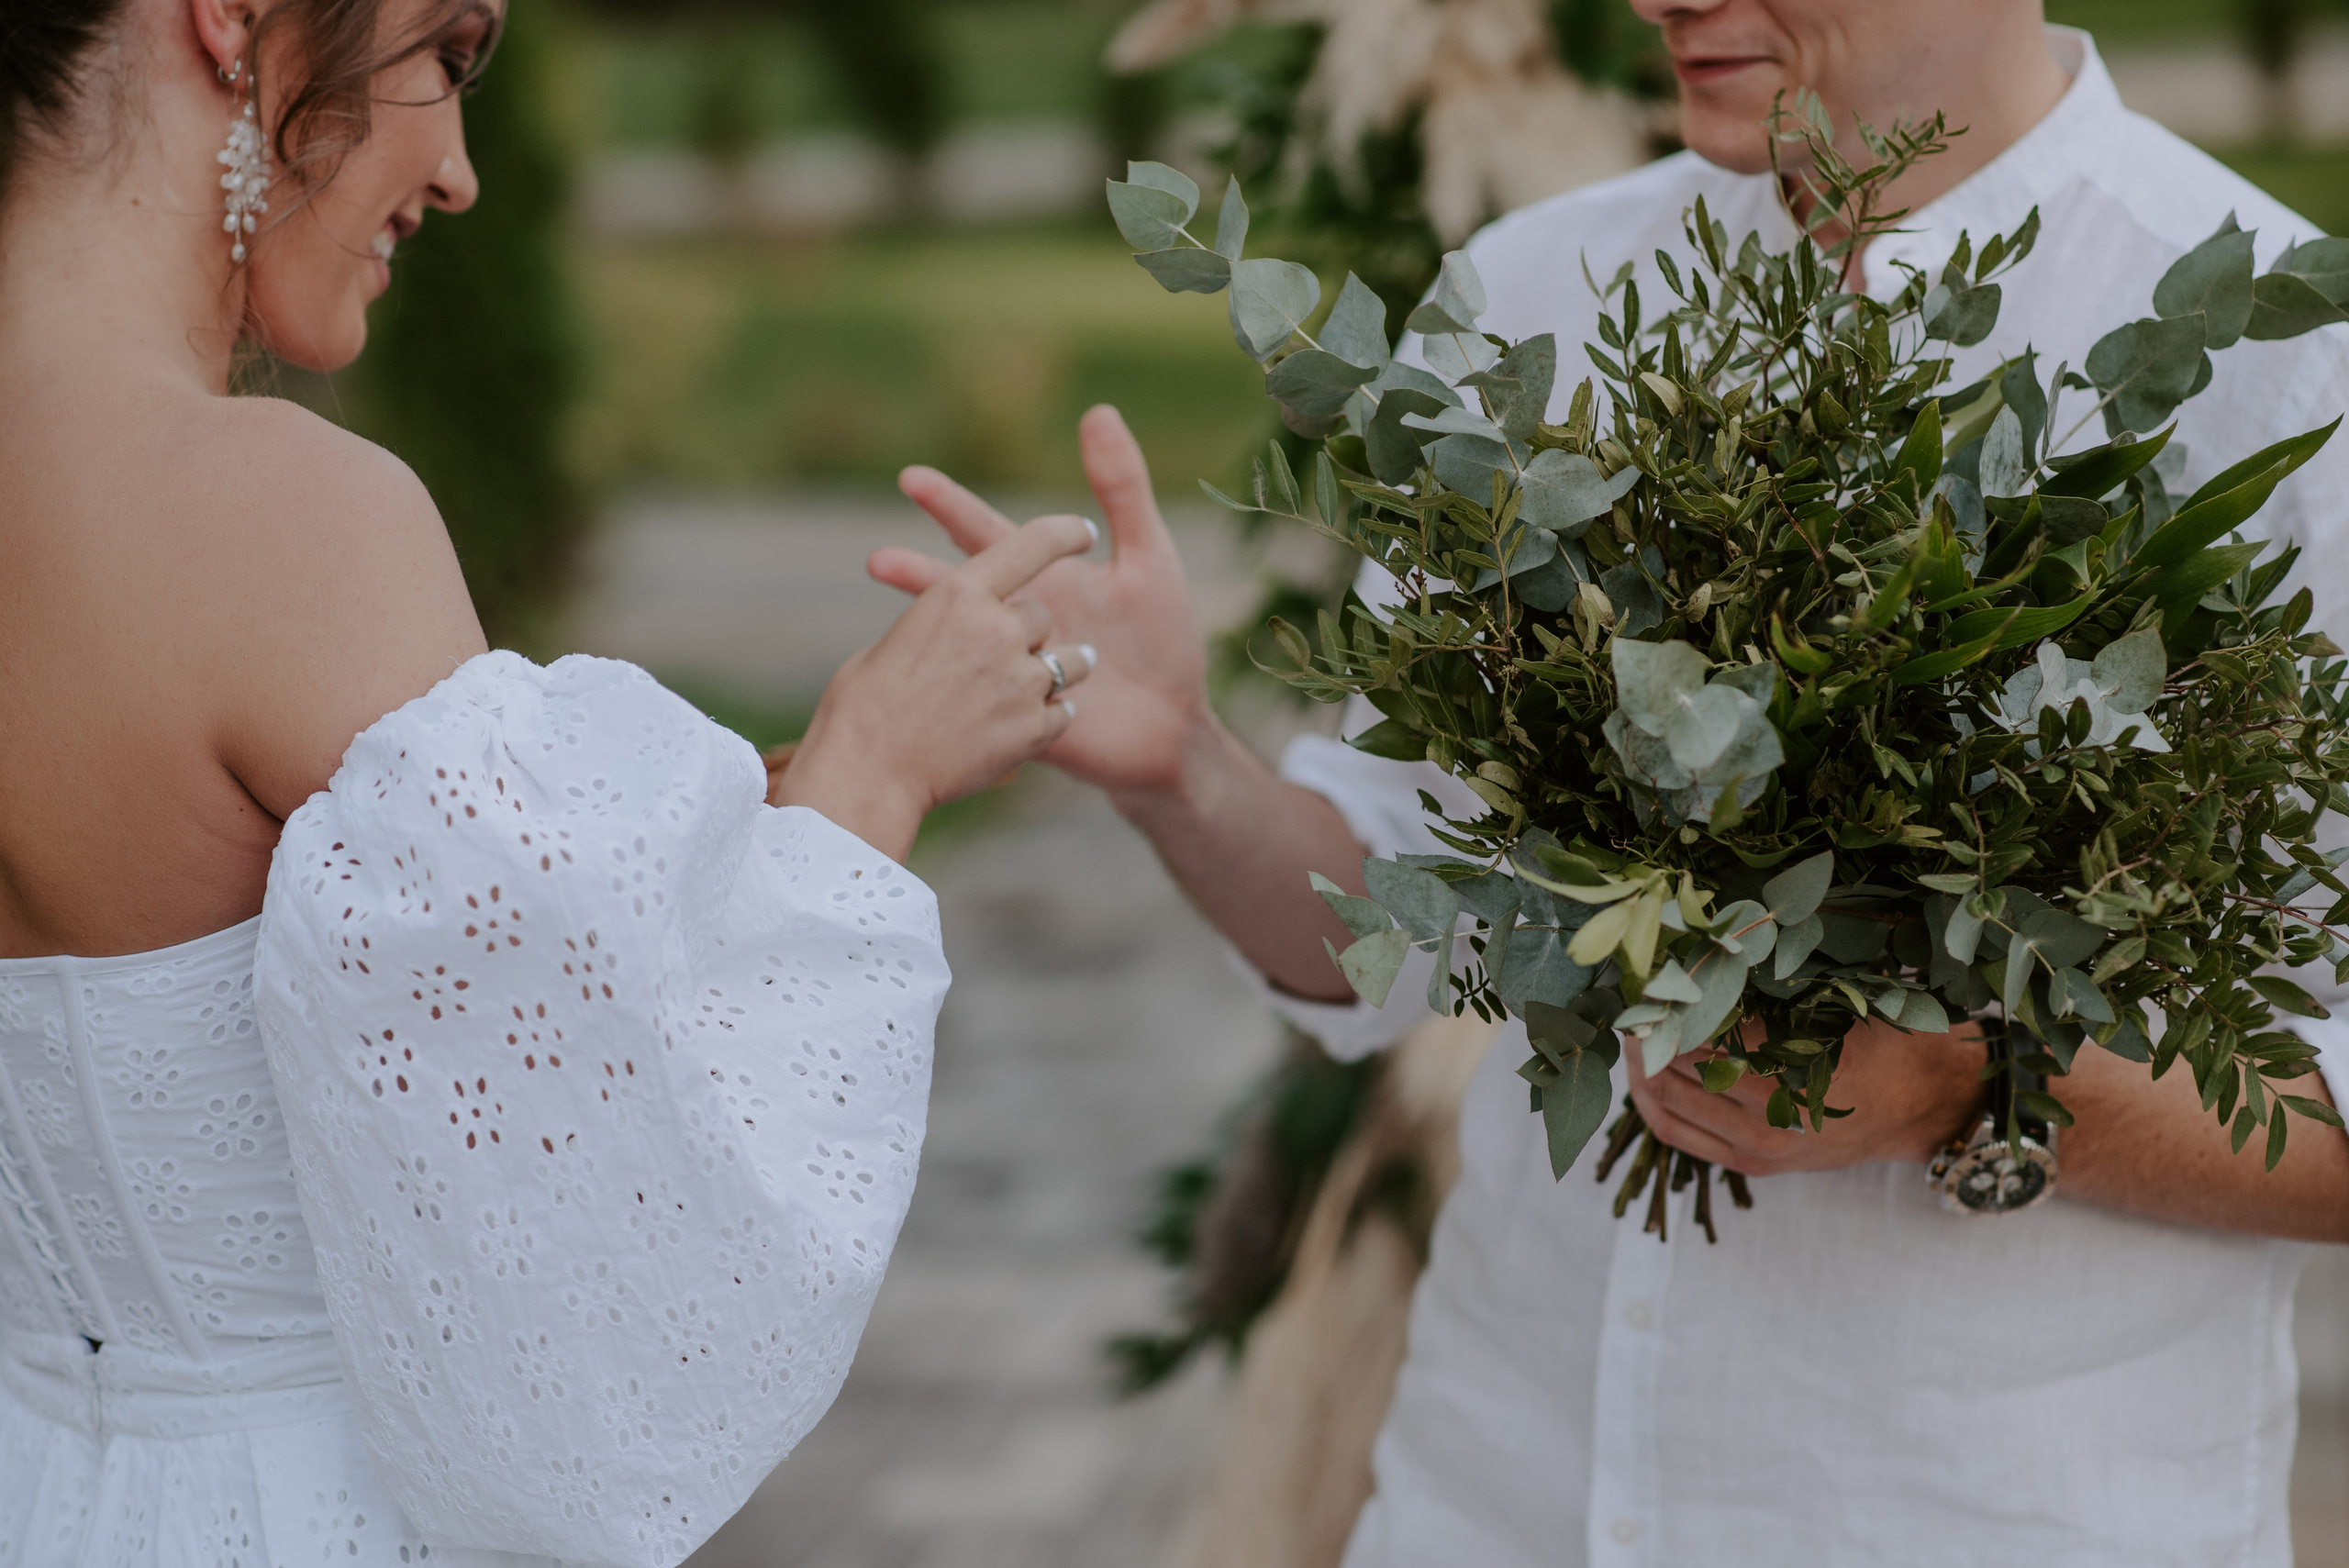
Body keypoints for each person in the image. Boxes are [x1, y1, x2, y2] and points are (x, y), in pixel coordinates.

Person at [883, 2, 2349, 1562]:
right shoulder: (1532, 295)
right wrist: (1181, 764)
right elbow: (1402, 923)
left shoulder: (2290, 383)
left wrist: (1972, 1090)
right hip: (1497, 1493)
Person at [0, 1, 1100, 1562]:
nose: (455, 169)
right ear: (232, 17)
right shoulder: (285, 521)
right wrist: (879, 770)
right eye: (445, 51)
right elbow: (609, 1280)